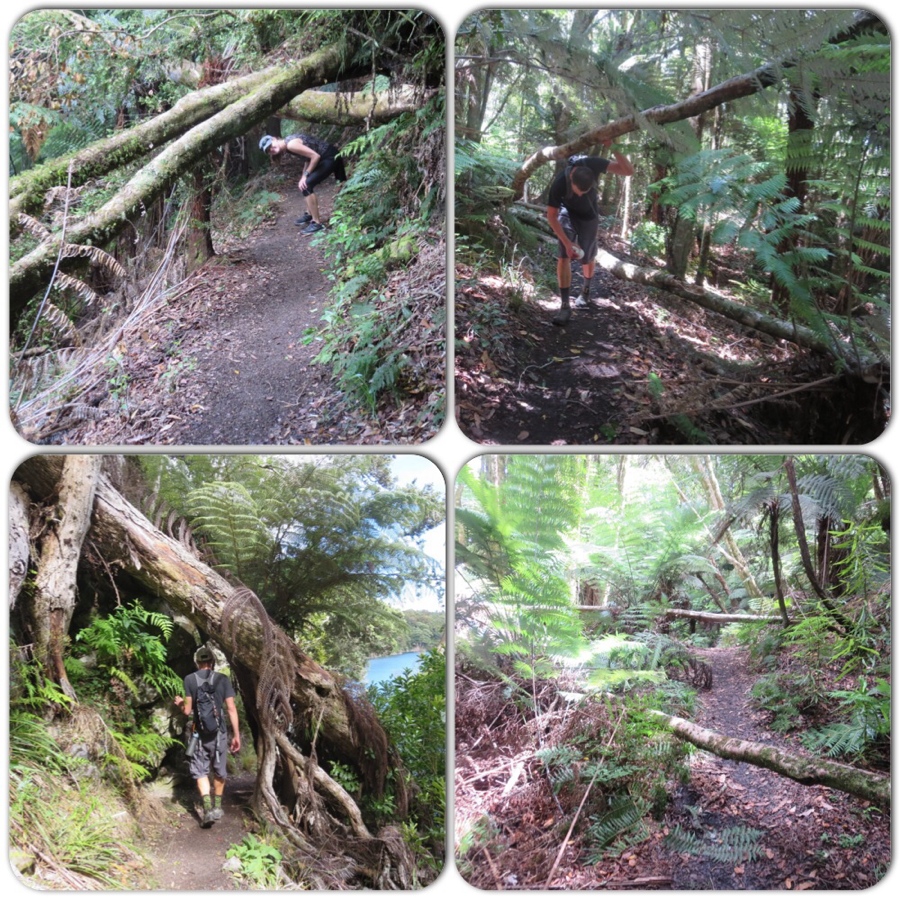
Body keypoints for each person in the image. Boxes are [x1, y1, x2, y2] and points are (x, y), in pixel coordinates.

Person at [545, 142, 634, 326]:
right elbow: (551, 216)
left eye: (584, 191)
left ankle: (585, 291)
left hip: (589, 216)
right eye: (578, 192)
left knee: (587, 256)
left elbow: (628, 171)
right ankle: (564, 306)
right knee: (564, 255)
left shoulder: (593, 163)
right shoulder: (560, 182)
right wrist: (568, 244)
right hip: (566, 213)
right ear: (571, 178)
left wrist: (613, 145)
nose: (580, 194)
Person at [174, 646, 241, 826]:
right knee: (219, 769)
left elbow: (187, 711)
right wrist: (236, 735)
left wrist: (180, 703)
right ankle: (218, 807)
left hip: (199, 732)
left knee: (200, 770)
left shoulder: (189, 679)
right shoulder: (223, 680)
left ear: (197, 662)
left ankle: (207, 808)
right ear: (212, 662)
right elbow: (231, 709)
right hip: (219, 733)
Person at [259, 133, 346, 234]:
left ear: (274, 139)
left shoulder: (291, 145)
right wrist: (303, 176)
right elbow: (307, 158)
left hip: (329, 156)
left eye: (271, 146)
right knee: (304, 184)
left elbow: (315, 156)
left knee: (306, 186)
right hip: (329, 154)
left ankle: (316, 223)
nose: (271, 149)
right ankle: (310, 213)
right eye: (268, 150)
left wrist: (305, 176)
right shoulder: (288, 144)